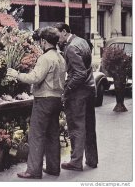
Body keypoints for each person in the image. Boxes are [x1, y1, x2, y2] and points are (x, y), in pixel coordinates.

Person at [7, 26, 66, 179]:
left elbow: (35, 78)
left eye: (40, 41)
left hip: (44, 100)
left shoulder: (45, 58)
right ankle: (53, 168)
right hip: (57, 99)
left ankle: (33, 170)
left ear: (44, 41)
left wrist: (16, 74)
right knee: (53, 134)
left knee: (36, 135)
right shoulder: (60, 57)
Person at [53, 22, 98, 171]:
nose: (56, 38)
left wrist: (67, 90)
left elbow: (79, 74)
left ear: (64, 32)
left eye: (57, 34)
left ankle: (76, 162)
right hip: (90, 89)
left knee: (76, 126)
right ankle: (92, 160)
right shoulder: (82, 41)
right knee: (89, 126)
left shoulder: (71, 48)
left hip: (79, 93)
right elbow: (86, 69)